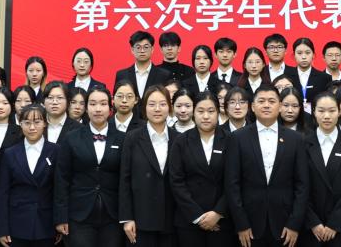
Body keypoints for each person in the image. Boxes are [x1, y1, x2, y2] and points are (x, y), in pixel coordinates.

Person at [225, 83, 310, 247]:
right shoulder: (237, 138)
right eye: (261, 101)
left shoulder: (296, 139)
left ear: (280, 106)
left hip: (285, 223)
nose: (266, 105)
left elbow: (302, 185)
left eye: (271, 101)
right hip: (249, 223)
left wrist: (295, 223)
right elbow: (232, 184)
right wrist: (241, 223)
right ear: (252, 107)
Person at [53, 86, 126, 247]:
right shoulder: (71, 138)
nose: (98, 109)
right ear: (86, 108)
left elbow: (126, 179)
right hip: (79, 215)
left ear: (110, 108)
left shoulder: (123, 139)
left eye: (103, 104)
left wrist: (127, 216)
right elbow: (62, 179)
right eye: (92, 104)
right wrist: (61, 217)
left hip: (113, 215)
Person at [169, 91, 232, 247]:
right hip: (188, 220)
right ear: (193, 112)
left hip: (222, 220)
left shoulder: (230, 140)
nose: (205, 116)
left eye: (211, 111)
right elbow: (176, 182)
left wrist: (218, 213)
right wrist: (198, 216)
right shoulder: (181, 141)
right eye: (200, 111)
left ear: (218, 112)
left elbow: (234, 181)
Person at [301, 91, 341, 247]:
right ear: (313, 112)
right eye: (321, 111)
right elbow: (299, 186)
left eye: (332, 111)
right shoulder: (302, 145)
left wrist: (335, 223)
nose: (326, 116)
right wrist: (313, 222)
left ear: (339, 112)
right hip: (311, 228)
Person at [120, 85, 177, 246]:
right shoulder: (132, 138)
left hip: (172, 219)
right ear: (144, 107)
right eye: (152, 104)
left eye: (162, 104)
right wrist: (127, 218)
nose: (157, 109)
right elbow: (125, 179)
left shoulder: (179, 139)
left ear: (169, 107)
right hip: (140, 219)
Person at [0, 103, 59, 247]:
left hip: (46, 224)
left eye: (37, 122)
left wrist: (59, 222)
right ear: (20, 123)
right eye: (27, 122)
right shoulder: (10, 153)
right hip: (16, 224)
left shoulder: (55, 151)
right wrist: (2, 229)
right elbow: (3, 193)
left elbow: (59, 190)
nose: (32, 127)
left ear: (45, 123)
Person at [115, 31, 171, 100]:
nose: (142, 51)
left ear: (152, 49)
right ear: (132, 50)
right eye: (138, 47)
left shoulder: (164, 75)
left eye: (146, 47)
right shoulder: (122, 75)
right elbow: (117, 100)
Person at [289, 38, 332, 110]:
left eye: (307, 53)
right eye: (299, 53)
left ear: (313, 55)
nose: (304, 57)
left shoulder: (325, 78)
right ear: (294, 55)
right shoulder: (286, 76)